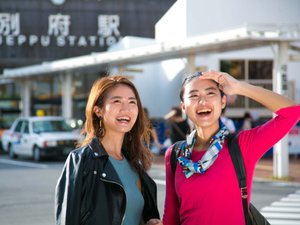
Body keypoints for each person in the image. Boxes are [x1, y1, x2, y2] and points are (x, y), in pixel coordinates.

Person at [163, 70, 300, 225]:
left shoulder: (242, 145)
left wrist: (239, 87)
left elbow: (292, 112)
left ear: (223, 101)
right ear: (183, 107)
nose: (202, 101)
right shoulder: (175, 154)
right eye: (194, 95)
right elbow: (171, 217)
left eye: (210, 93)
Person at [55, 75, 162, 225]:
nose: (126, 109)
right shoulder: (81, 161)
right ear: (98, 110)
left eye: (132, 102)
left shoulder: (135, 163)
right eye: (116, 101)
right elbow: (67, 219)